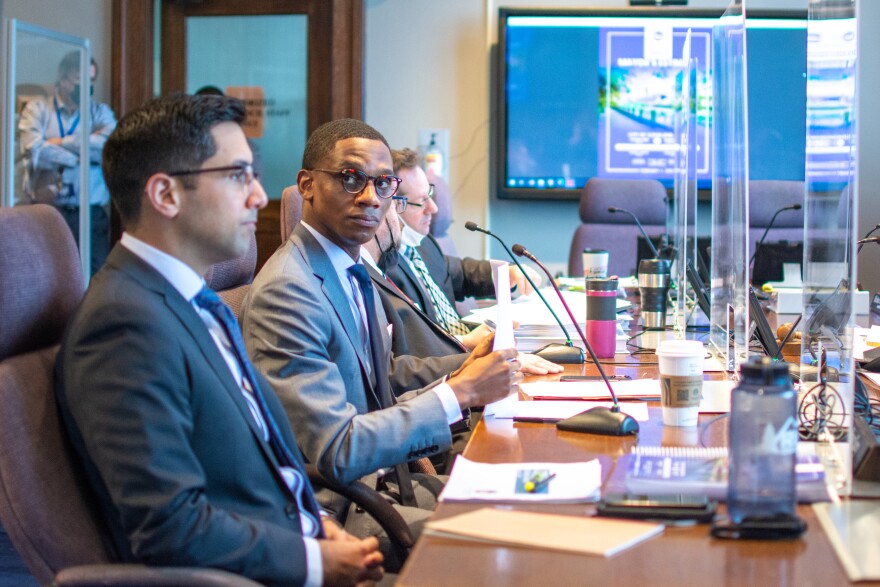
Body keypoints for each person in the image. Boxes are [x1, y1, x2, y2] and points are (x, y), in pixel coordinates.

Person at [55, 94, 383, 587]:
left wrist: (318, 526)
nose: (257, 196)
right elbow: (172, 527)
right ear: (165, 195)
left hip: (307, 532)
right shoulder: (123, 326)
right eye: (237, 176)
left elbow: (257, 460)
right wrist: (314, 560)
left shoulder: (194, 299)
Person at [240, 119, 527, 557]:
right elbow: (337, 449)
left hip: (390, 483)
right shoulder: (288, 288)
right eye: (351, 179)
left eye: (383, 183)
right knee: (517, 539)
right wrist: (461, 393)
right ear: (307, 186)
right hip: (343, 513)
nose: (372, 198)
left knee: (535, 500)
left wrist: (464, 370)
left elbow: (380, 383)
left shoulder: (349, 268)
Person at [386, 147, 540, 336]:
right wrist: (465, 342)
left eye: (430, 196)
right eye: (421, 201)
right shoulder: (384, 268)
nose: (433, 208)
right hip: (449, 359)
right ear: (393, 205)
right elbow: (412, 346)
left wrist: (508, 272)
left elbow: (459, 272)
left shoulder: (424, 243)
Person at [18, 51, 117, 275]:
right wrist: (79, 156)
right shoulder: (38, 109)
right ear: (63, 80)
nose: (87, 86)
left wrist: (60, 142)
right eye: (80, 80)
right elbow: (33, 148)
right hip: (48, 211)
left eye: (91, 81)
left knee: (92, 278)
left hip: (90, 215)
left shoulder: (99, 112)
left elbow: (107, 145)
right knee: (46, 276)